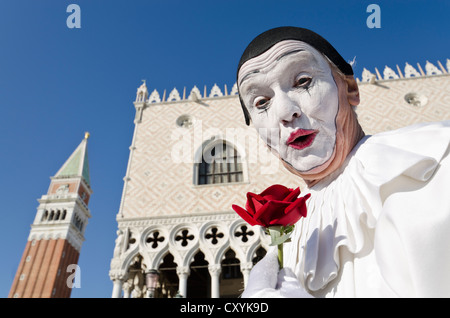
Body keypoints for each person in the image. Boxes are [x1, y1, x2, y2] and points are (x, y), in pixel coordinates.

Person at [237, 26, 450, 297]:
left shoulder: (430, 166)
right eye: (261, 102)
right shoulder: (294, 234)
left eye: (303, 81)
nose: (285, 112)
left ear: (350, 89)